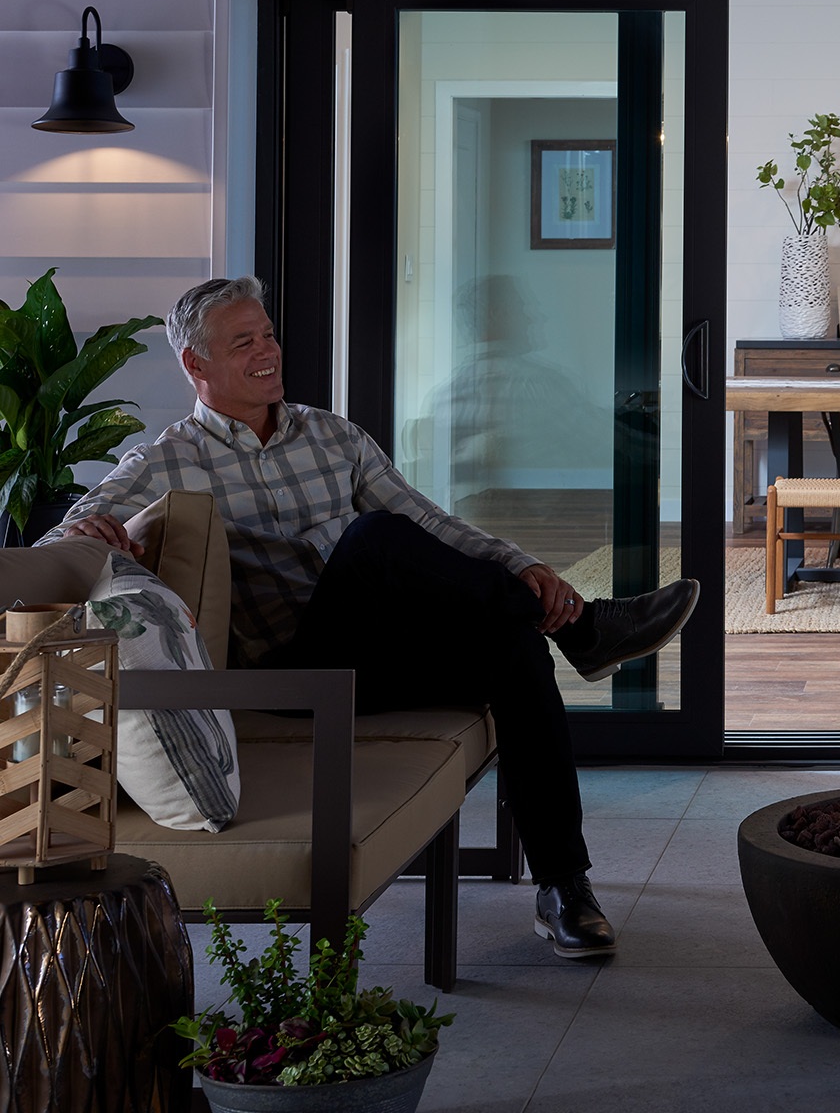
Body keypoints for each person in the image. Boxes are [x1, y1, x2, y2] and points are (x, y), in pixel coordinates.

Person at [46, 276, 701, 960]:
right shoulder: (168, 459)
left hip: (378, 654)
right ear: (195, 364)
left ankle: (565, 887)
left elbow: (432, 523)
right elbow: (57, 546)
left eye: (268, 333)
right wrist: (90, 527)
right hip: (299, 674)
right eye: (244, 343)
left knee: (512, 642)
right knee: (373, 540)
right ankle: (587, 634)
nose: (267, 351)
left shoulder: (331, 434)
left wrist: (527, 569)